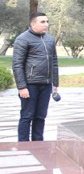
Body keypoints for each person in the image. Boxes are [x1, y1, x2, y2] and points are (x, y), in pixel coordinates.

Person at [12, 11, 60, 141]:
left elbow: (54, 62)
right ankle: (23, 145)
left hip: (46, 84)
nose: (46, 24)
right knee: (27, 116)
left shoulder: (49, 39)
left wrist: (55, 83)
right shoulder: (22, 39)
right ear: (32, 24)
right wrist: (22, 87)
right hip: (30, 84)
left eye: (47, 22)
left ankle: (38, 144)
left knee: (41, 116)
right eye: (42, 22)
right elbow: (17, 65)